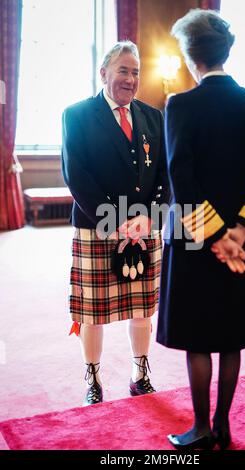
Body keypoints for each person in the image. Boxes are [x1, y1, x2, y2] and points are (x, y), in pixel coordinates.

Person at [157, 9, 245, 450]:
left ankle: (201, 428)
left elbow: (182, 181)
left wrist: (214, 238)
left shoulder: (181, 105)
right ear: (226, 52)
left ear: (190, 55)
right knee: (231, 336)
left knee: (197, 338)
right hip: (243, 247)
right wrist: (239, 236)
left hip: (195, 242)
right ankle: (224, 424)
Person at [62, 41, 169, 406]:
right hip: (97, 225)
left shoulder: (154, 117)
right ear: (104, 73)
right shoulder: (76, 114)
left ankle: (140, 374)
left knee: (142, 309)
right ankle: (92, 377)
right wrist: (117, 221)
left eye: (136, 71)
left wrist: (149, 217)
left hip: (143, 228)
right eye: (123, 70)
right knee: (93, 312)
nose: (130, 78)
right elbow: (76, 175)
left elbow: (166, 176)